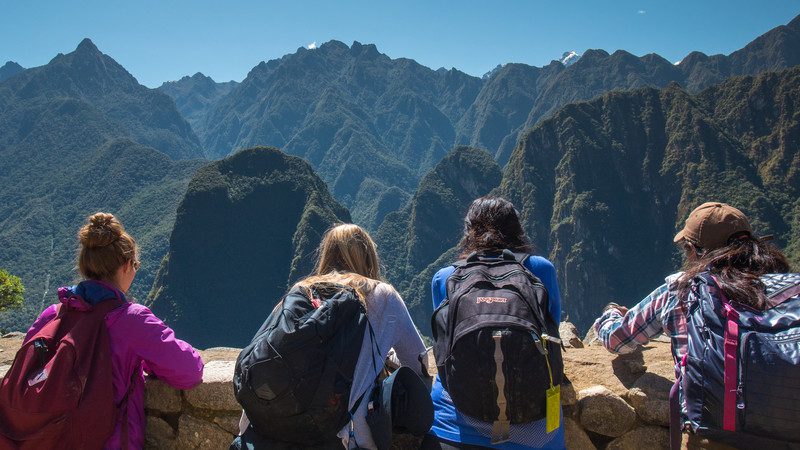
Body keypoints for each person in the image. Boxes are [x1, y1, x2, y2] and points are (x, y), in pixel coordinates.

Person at [593, 202, 797, 448]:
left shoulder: (681, 292)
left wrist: (610, 315)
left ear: (694, 250)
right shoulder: (791, 289)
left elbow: (618, 341)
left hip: (714, 435)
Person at [20, 213, 205, 449]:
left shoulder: (53, 314)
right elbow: (189, 371)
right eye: (135, 265)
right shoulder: (131, 319)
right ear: (127, 265)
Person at [236, 224, 426, 449]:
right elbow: (417, 360)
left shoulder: (301, 290)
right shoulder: (382, 295)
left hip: (270, 426)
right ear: (369, 257)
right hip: (346, 437)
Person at [423, 196, 566, 450]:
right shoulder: (541, 270)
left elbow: (443, 345)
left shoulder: (445, 278)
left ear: (468, 232)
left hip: (453, 430)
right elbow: (552, 323)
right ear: (518, 229)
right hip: (536, 433)